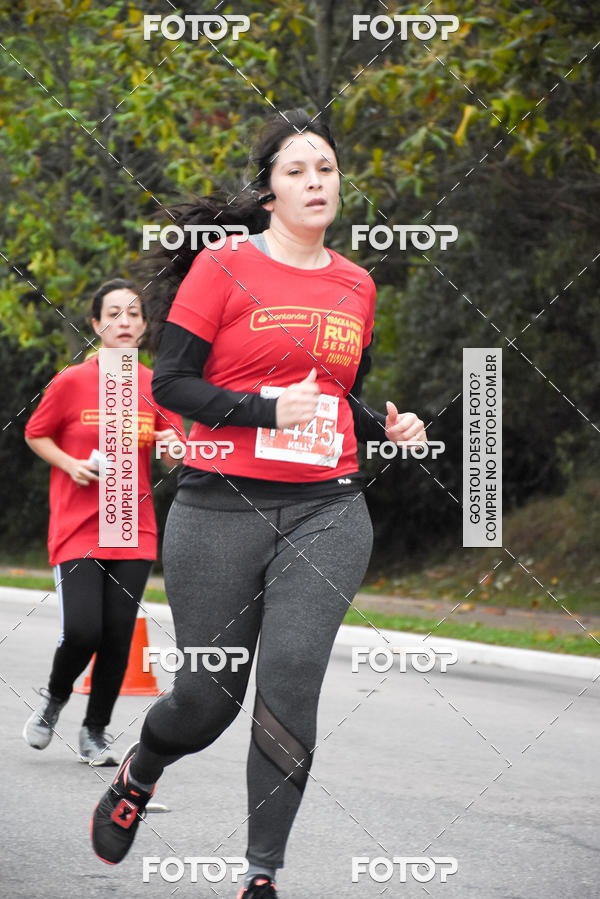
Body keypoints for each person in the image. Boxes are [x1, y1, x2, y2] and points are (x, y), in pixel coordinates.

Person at [90, 110, 426, 895]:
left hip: (327, 506)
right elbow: (171, 384)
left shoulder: (356, 284)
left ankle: (261, 875)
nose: (316, 181)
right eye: (298, 171)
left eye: (327, 169)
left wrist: (383, 423)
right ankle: (141, 768)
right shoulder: (224, 269)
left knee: (293, 676)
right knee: (207, 699)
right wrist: (266, 411)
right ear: (269, 192)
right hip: (218, 506)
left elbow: (338, 397)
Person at [23, 279, 184, 765]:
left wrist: (174, 451)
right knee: (83, 632)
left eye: (134, 314)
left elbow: (174, 447)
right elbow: (35, 433)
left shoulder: (157, 384)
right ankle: (54, 697)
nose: (126, 322)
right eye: (114, 314)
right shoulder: (71, 381)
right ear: (96, 324)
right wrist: (69, 464)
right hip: (78, 526)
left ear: (143, 325)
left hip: (134, 526)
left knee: (118, 634)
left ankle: (96, 732)